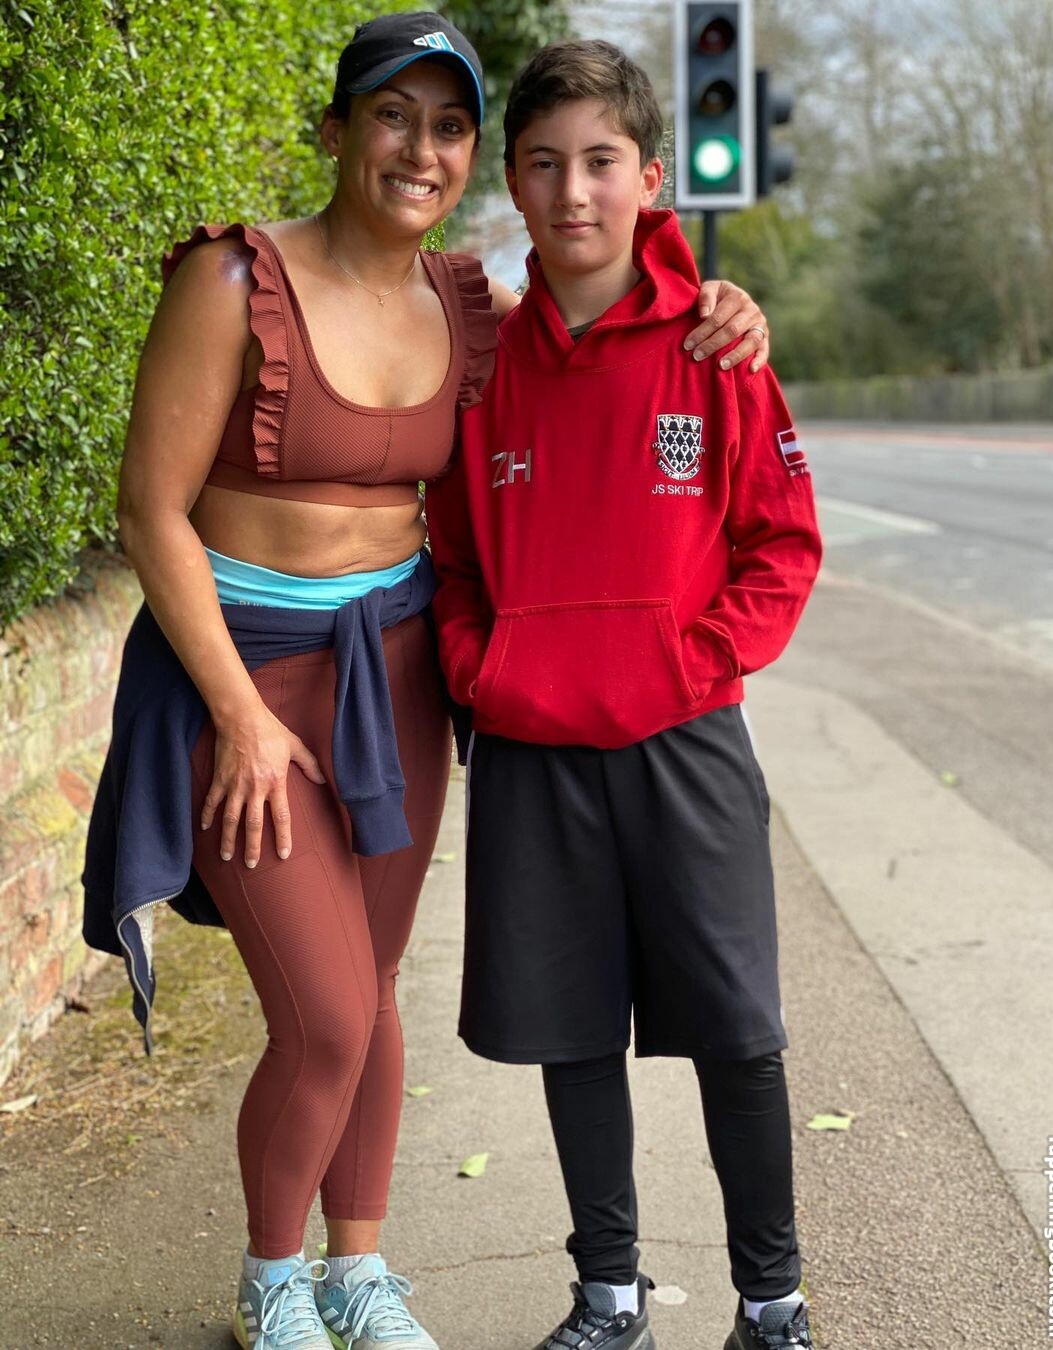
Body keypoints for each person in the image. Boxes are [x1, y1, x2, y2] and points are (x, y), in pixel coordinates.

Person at [80, 13, 774, 1350]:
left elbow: (600, 324)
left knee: (377, 985)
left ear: (469, 157)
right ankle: (271, 1280)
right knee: (328, 1014)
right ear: (336, 131)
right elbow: (150, 509)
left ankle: (357, 1270)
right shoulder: (231, 280)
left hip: (392, 678)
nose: (420, 149)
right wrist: (236, 716)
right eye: (392, 116)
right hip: (242, 681)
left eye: (449, 126)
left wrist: (719, 303)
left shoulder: (469, 308)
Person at [426, 38, 822, 1350]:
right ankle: (609, 1298)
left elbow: (782, 545)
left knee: (739, 1032)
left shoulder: (717, 345)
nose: (572, 190)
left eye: (600, 161)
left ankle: (772, 1305)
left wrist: (691, 663)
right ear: (513, 183)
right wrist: (485, 669)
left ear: (650, 177)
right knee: (572, 1030)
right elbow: (454, 562)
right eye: (543, 164)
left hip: (687, 738)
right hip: (535, 747)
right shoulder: (481, 364)